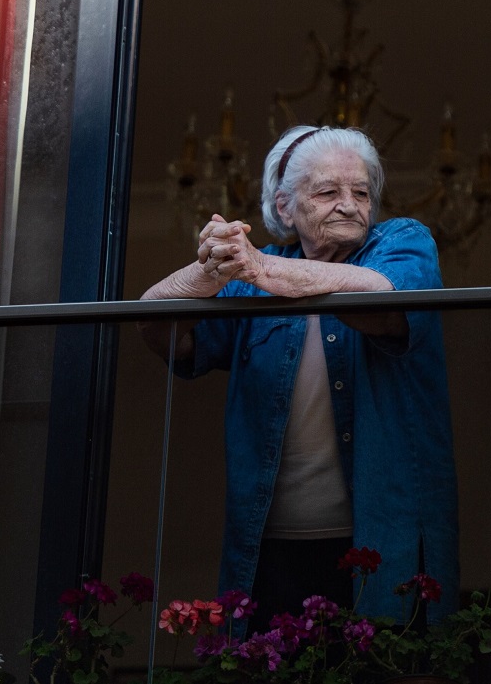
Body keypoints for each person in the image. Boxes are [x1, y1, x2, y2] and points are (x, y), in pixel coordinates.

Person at [140, 125, 458, 622]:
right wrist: (204, 273)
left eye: (361, 192)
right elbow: (169, 336)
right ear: (285, 208)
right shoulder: (255, 271)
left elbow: (381, 298)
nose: (350, 204)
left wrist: (262, 269)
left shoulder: (401, 241)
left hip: (381, 544)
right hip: (270, 549)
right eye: (329, 192)